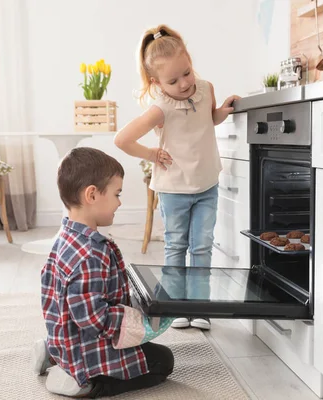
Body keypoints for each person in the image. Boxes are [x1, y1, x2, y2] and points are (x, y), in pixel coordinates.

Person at [114, 24, 239, 331]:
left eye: (186, 72)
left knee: (202, 246)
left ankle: (199, 308)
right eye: (173, 80)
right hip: (174, 189)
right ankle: (174, 307)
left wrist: (223, 110)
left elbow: (207, 118)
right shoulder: (160, 108)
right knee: (176, 246)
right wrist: (151, 154)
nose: (184, 83)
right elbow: (123, 139)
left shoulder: (205, 88)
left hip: (207, 182)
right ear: (157, 82)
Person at [32, 147, 174, 398]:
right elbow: (93, 318)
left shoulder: (65, 237)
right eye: (117, 194)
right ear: (92, 195)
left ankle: (53, 351)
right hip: (85, 351)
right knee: (163, 361)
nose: (120, 202)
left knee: (147, 350)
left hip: (64, 338)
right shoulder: (90, 253)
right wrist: (134, 323)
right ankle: (84, 382)